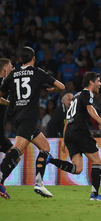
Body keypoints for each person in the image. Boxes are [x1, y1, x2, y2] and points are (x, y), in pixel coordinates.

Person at [0, 46, 65, 199]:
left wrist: (12, 103)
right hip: (28, 116)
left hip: (16, 116)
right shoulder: (38, 72)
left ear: (20, 59)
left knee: (45, 147)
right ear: (34, 58)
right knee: (18, 150)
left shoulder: (13, 74)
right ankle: (0, 179)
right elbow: (61, 86)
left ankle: (39, 183)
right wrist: (53, 91)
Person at [47, 72, 101, 201]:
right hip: (79, 130)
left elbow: (69, 119)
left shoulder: (77, 96)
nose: (100, 84)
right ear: (91, 82)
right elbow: (90, 109)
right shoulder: (87, 93)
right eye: (98, 81)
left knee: (77, 169)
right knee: (97, 161)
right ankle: (95, 195)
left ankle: (50, 160)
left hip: (70, 132)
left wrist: (66, 139)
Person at [0, 58, 14, 154]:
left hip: (1, 132)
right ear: (5, 69)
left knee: (15, 155)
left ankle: (3, 169)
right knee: (14, 155)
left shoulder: (7, 82)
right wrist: (11, 103)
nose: (13, 69)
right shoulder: (2, 81)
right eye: (11, 66)